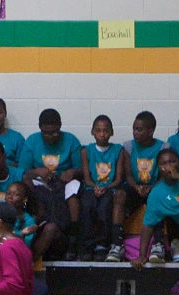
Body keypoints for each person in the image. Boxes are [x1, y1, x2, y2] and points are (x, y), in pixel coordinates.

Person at [16, 107, 81, 260]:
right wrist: (37, 171)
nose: (50, 136)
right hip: (40, 182)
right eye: (46, 132)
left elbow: (81, 170)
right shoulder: (32, 141)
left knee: (73, 190)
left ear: (60, 127)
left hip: (64, 181)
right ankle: (38, 226)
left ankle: (72, 235)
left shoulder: (71, 140)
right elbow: (22, 172)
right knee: (31, 188)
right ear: (40, 128)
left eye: (54, 132)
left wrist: (72, 172)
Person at [75, 115, 129, 260]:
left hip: (110, 188)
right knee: (86, 205)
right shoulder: (86, 150)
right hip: (91, 188)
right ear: (92, 132)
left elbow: (118, 179)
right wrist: (95, 187)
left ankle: (102, 245)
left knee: (105, 206)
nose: (102, 134)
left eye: (106, 131)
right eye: (98, 130)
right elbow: (86, 178)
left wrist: (105, 188)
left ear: (111, 132)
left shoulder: (119, 150)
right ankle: (87, 245)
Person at [122, 111, 166, 254]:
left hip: (155, 187)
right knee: (119, 196)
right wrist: (136, 187)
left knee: (159, 198)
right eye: (134, 129)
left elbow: (164, 176)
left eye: (139, 129)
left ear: (150, 131)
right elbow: (128, 175)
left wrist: (152, 188)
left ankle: (158, 244)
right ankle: (116, 243)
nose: (135, 133)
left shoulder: (163, 148)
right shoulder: (128, 146)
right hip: (135, 187)